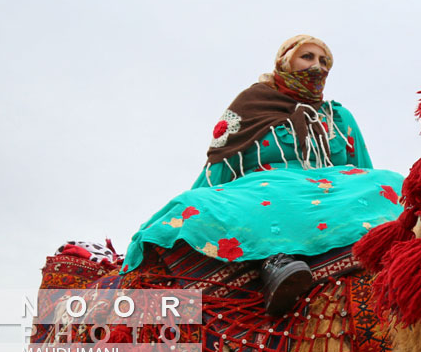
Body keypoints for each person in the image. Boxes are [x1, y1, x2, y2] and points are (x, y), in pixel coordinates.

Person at [121, 35, 403, 314]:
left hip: (331, 189)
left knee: (388, 181)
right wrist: (199, 203)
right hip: (264, 190)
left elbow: (362, 167)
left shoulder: (338, 117)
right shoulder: (248, 108)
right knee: (195, 204)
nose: (317, 66)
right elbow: (219, 165)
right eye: (307, 57)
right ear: (284, 62)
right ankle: (276, 263)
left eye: (324, 60)